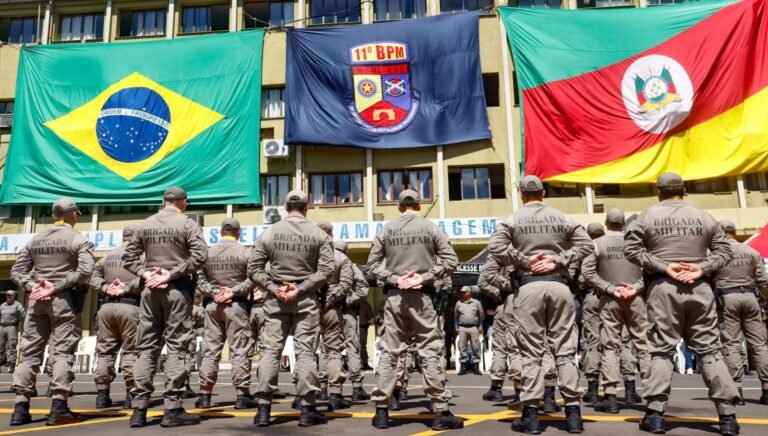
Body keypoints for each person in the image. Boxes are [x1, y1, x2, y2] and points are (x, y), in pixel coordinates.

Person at [624, 172, 739, 435]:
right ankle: (728, 417)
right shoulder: (704, 216)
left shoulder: (648, 215)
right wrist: (701, 268)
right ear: (684, 191)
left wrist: (665, 266)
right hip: (699, 289)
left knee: (661, 351)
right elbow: (725, 251)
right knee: (710, 351)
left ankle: (655, 415)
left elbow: (631, 249)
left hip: (663, 287)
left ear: (659, 192)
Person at [488, 175, 592, 434]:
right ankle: (573, 415)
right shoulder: (561, 217)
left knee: (531, 353)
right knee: (565, 351)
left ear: (522, 194)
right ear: (543, 193)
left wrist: (525, 260)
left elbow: (495, 247)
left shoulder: (511, 219)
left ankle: (532, 416)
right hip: (559, 285)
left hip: (529, 286)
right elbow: (587, 245)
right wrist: (558, 260)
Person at [367, 189, 463, 431]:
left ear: (399, 207)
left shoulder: (386, 230)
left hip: (395, 297)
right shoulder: (431, 228)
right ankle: (440, 410)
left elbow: (372, 265)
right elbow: (451, 261)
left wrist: (395, 279)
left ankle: (381, 411)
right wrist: (423, 276)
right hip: (423, 297)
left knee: (390, 352)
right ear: (418, 205)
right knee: (430, 351)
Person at [122, 187, 208, 428]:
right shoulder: (188, 224)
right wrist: (171, 273)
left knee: (146, 348)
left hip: (150, 290)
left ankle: (138, 410)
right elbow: (201, 256)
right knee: (178, 346)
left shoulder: (145, 224)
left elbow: (128, 259)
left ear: (163, 201)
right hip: (177, 290)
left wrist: (147, 272)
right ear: (184, 203)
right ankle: (172, 408)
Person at [248, 190, 335, 427]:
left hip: (275, 300)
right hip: (305, 299)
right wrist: (301, 287)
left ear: (286, 207)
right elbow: (327, 270)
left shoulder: (269, 233)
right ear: (307, 207)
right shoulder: (319, 235)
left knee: (270, 351)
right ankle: (307, 409)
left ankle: (263, 409)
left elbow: (253, 269)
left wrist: (273, 287)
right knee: (305, 352)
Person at [9, 198, 94, 426]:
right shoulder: (78, 239)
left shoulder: (35, 239)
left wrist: (33, 287)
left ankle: (20, 408)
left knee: (29, 353)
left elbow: (17, 271)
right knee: (62, 352)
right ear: (73, 215)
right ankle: (59, 406)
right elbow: (86, 270)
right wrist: (56, 286)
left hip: (36, 301)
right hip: (64, 301)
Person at [582, 209, 649, 413]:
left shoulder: (597, 244)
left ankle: (610, 396)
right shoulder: (637, 244)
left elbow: (587, 272)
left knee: (609, 346)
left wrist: (610, 288)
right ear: (623, 223)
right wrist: (635, 287)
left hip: (610, 298)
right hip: (635, 298)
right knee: (642, 344)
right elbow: (653, 269)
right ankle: (654, 394)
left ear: (606, 223)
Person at [195, 218, 258, 410]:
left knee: (210, 351)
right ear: (238, 232)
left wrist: (214, 292)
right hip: (236, 305)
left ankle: (205, 394)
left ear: (220, 232)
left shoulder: (207, 253)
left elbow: (199, 279)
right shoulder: (245, 252)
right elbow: (253, 278)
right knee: (239, 350)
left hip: (212, 305)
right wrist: (234, 291)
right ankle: (242, 395)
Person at [714, 219, 768, 405]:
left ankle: (736, 389)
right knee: (760, 345)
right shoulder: (751, 251)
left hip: (727, 299)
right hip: (751, 298)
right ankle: (767, 389)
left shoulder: (717, 253)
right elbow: (763, 281)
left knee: (731, 344)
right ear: (734, 232)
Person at [90, 224, 142, 410]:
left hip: (106, 306)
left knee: (105, 352)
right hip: (130, 306)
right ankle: (130, 394)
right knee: (132, 351)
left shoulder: (107, 257)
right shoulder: (140, 257)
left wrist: (105, 287)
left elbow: (92, 277)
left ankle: (102, 395)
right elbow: (146, 279)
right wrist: (127, 286)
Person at [313, 221, 354, 410]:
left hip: (309, 309)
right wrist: (331, 297)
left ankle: (303, 394)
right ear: (331, 234)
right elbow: (346, 284)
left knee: (305, 351)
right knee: (333, 351)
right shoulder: (341, 257)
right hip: (331, 309)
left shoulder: (307, 255)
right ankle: (335, 394)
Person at [478, 254, 521, 403]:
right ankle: (519, 389)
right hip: (521, 302)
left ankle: (496, 388)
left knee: (500, 348)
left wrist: (498, 293)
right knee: (517, 346)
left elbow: (482, 282)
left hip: (503, 304)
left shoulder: (496, 255)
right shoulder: (522, 249)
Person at [336, 240, 371, 400]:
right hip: (347, 311)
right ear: (346, 251)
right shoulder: (350, 265)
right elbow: (363, 288)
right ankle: (356, 387)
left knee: (328, 349)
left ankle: (325, 387)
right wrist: (351, 300)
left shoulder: (322, 262)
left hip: (328, 310)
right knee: (352, 347)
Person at [579, 222, 605, 404]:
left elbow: (581, 278)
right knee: (619, 343)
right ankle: (628, 389)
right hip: (616, 297)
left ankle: (593, 388)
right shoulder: (616, 246)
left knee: (592, 341)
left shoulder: (588, 250)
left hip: (593, 297)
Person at [454, 286, 483, 376]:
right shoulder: (459, 303)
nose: (462, 293)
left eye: (464, 292)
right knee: (462, 346)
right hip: (462, 327)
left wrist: (480, 326)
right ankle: (463, 366)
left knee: (475, 346)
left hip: (474, 327)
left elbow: (481, 315)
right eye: (461, 292)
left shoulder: (476, 303)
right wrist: (456, 326)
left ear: (469, 293)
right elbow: (455, 315)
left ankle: (476, 366)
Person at [0, 290, 25, 372]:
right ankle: (1, 360)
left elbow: (23, 315)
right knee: (0, 345)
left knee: (12, 345)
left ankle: (12, 363)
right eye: (7, 295)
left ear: (14, 296)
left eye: (10, 295)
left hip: (12, 327)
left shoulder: (17, 305)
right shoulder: (2, 305)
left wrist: (17, 321)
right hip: (2, 326)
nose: (8, 297)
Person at [358, 299, 373, 370]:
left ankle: (363, 363)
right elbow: (371, 318)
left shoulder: (352, 302)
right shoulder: (365, 304)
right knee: (362, 345)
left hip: (360, 327)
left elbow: (371, 318)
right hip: (362, 327)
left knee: (359, 345)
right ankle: (364, 363)